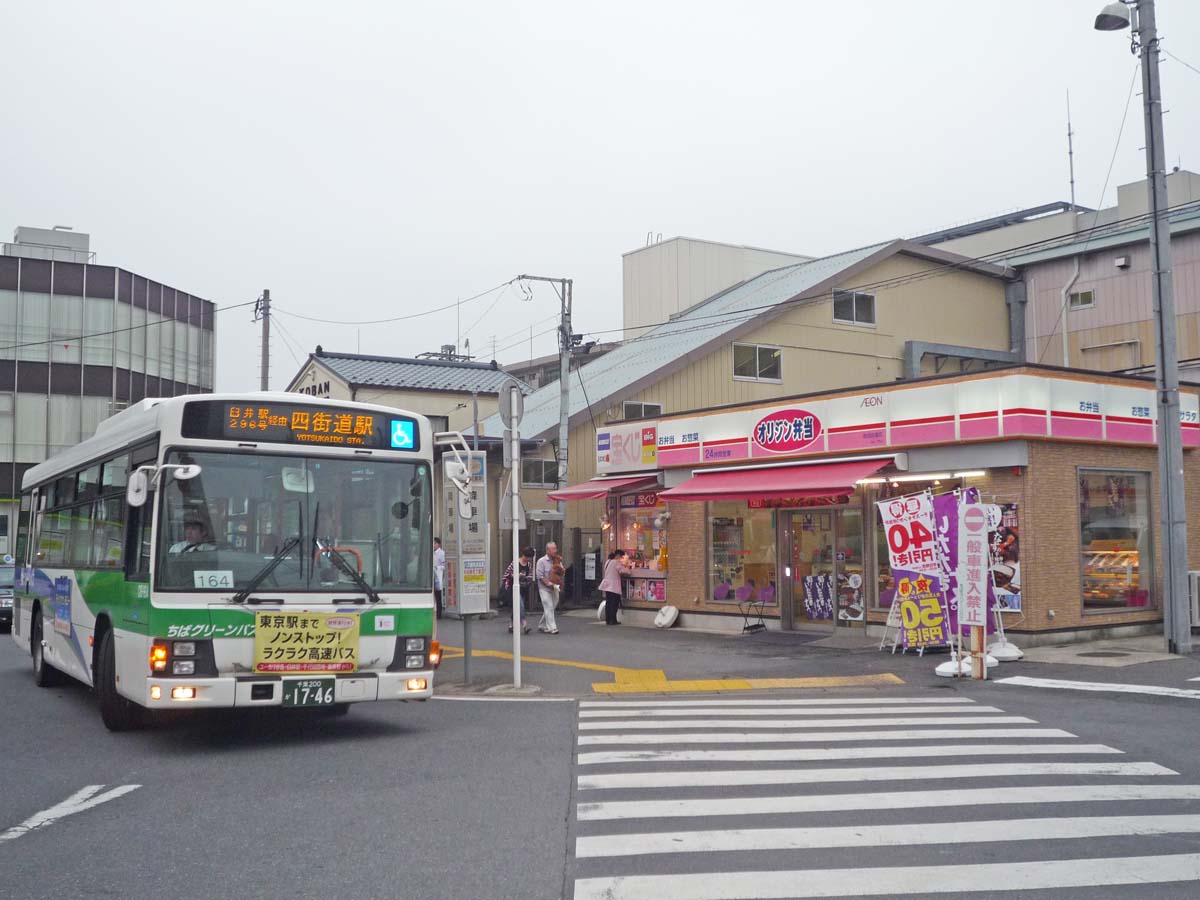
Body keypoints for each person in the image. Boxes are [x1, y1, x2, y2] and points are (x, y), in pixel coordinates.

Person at [502, 547, 534, 634]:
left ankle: (511, 625)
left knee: (516, 607)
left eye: (529, 558)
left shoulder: (529, 565)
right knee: (521, 606)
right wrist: (516, 575)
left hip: (523, 588)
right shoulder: (515, 563)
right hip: (514, 588)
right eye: (527, 557)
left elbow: (531, 576)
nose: (528, 559)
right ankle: (524, 625)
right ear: (523, 555)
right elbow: (506, 575)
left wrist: (526, 578)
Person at [598, 549, 629, 625]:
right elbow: (623, 571)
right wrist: (628, 570)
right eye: (621, 556)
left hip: (607, 585)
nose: (621, 558)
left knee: (609, 603)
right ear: (618, 555)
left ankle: (608, 620)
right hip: (614, 587)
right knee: (614, 604)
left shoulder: (608, 561)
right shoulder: (616, 562)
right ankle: (613, 620)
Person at [535, 542, 560, 634]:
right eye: (553, 549)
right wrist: (549, 583)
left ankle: (542, 625)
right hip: (544, 588)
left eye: (555, 548)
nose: (555, 551)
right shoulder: (541, 561)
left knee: (551, 607)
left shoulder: (557, 560)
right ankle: (552, 627)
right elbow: (540, 576)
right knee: (548, 606)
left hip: (555, 588)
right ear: (547, 550)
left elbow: (560, 572)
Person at [433, 537, 446, 619]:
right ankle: (434, 612)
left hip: (438, 575)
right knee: (433, 595)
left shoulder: (441, 553)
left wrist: (437, 567)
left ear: (438, 544)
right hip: (433, 574)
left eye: (435, 543)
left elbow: (444, 566)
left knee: (438, 595)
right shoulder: (433, 552)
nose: (433, 545)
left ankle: (439, 614)